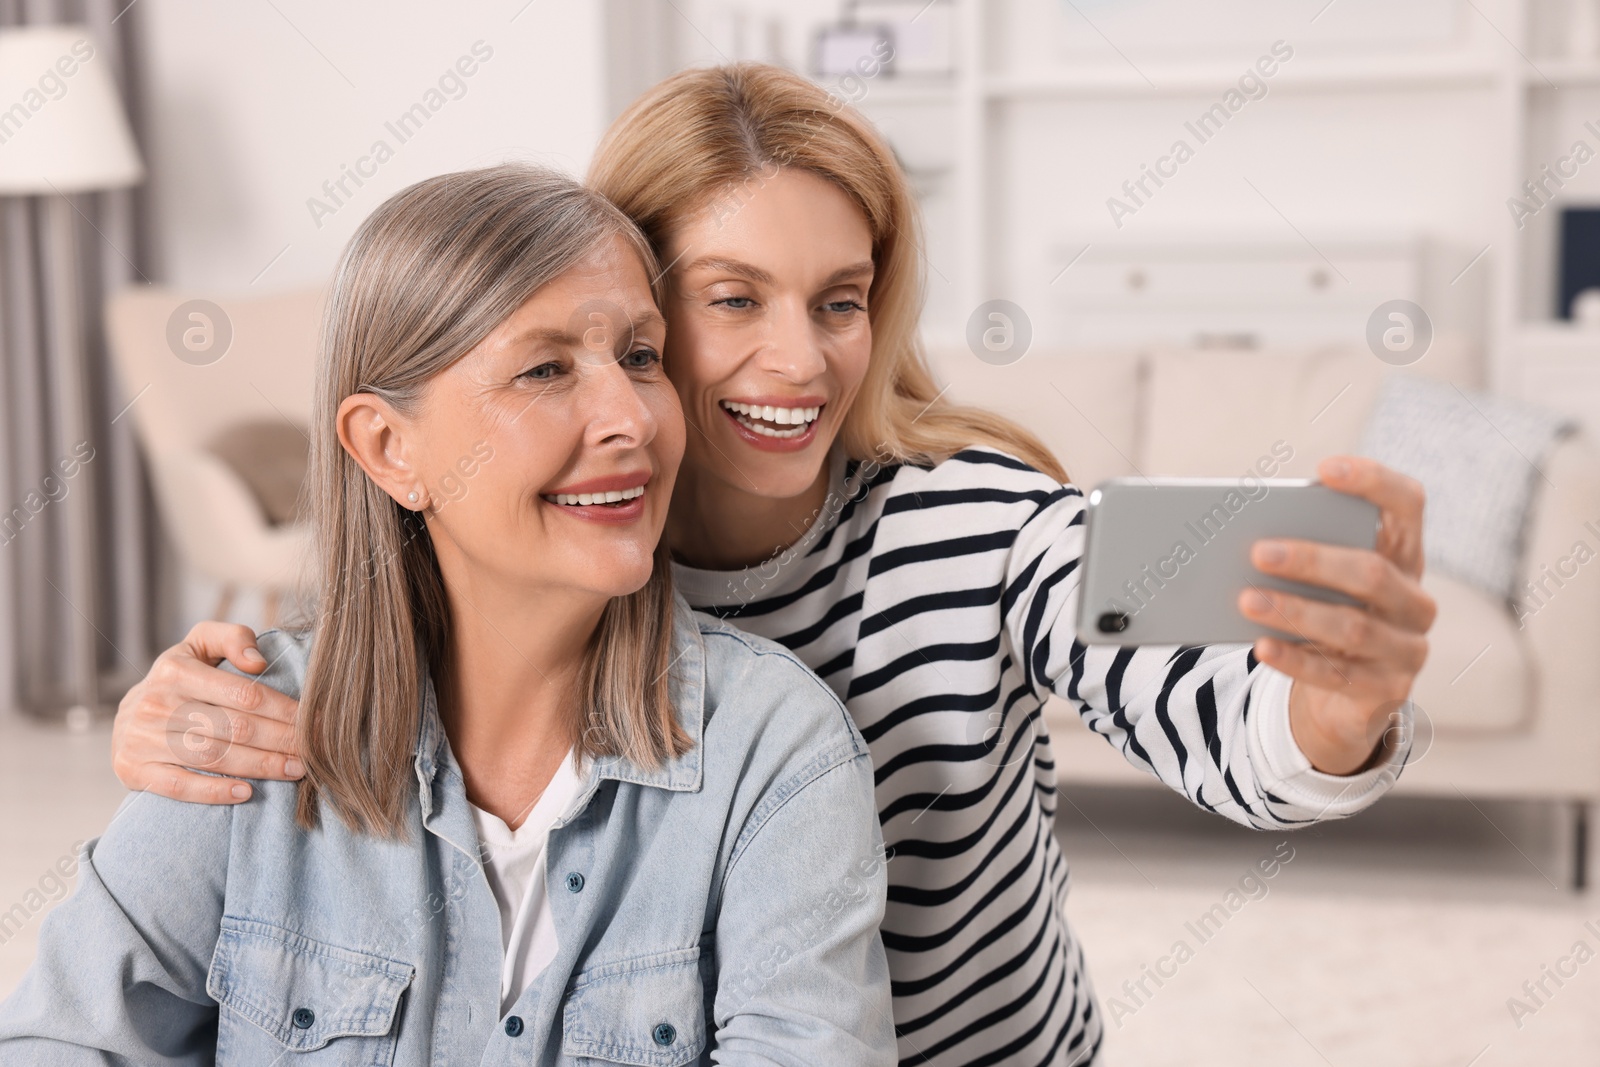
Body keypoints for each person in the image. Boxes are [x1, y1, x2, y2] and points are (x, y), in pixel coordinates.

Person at [107, 65, 1435, 1065]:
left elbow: (1222, 718)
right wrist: (180, 711)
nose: (801, 360)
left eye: (840, 300)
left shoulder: (977, 517)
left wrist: (1329, 712)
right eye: (733, 297)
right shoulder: (573, 536)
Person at [0, 164, 895, 1064]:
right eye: (545, 369)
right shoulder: (247, 727)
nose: (630, 417)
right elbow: (61, 1037)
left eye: (640, 357)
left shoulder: (777, 753)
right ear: (389, 448)